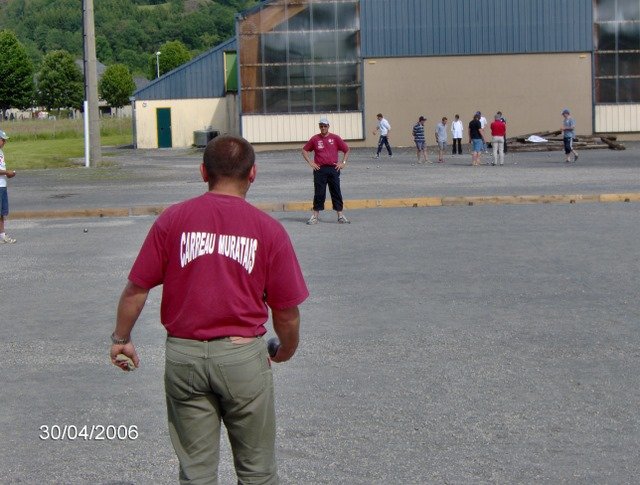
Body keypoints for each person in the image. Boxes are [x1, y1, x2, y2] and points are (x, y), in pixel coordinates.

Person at [110, 135, 309, 484]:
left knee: (196, 472)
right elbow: (286, 311)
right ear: (253, 173)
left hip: (184, 355)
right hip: (241, 356)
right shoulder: (269, 230)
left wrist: (121, 338)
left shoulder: (173, 220)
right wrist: (286, 349)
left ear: (203, 172)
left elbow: (135, 289)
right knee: (257, 471)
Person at [302, 117, 350, 224]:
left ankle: (340, 216)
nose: (323, 128)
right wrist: (311, 162)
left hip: (333, 169)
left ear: (328, 126)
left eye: (325, 126)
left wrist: (343, 163)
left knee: (336, 191)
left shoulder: (335, 138)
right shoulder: (315, 139)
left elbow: (347, 150)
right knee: (319, 193)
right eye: (321, 126)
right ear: (319, 127)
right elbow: (304, 150)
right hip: (320, 169)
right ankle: (315, 216)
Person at [0, 130, 17, 244]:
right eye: (3, 140)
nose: (5, 142)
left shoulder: (1, 152)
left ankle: (2, 236)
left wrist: (8, 174)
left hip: (2, 185)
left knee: (2, 212)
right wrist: (7, 172)